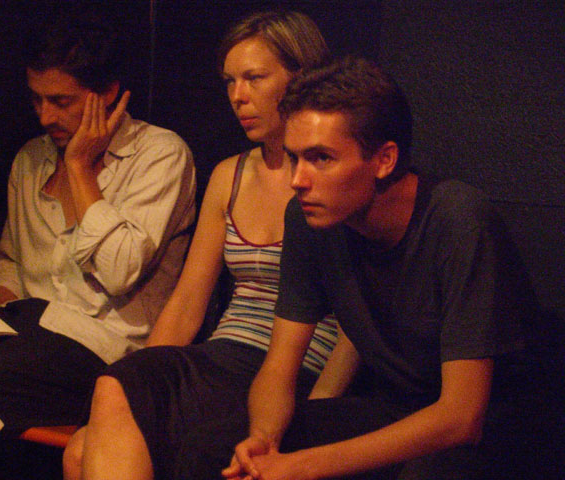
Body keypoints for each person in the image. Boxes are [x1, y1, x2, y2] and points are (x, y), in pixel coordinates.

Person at [174, 56, 561, 479]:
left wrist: (303, 466)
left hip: (501, 428)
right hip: (397, 408)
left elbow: (462, 416)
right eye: (294, 158)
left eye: (321, 158)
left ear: (384, 159)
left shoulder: (458, 219)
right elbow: (279, 368)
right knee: (210, 450)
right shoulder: (307, 219)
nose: (298, 179)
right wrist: (264, 441)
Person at [62, 11, 341, 480]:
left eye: (254, 78)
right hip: (223, 354)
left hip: (294, 369)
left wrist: (321, 410)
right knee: (87, 435)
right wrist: (142, 383)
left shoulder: (333, 175)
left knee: (178, 448)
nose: (238, 96)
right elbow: (188, 302)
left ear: (300, 78)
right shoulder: (231, 174)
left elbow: (356, 317)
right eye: (230, 81)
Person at [0, 11, 195, 445]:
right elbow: (15, 268)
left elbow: (119, 272)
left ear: (107, 92)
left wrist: (80, 168)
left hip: (107, 352)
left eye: (61, 102)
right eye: (36, 100)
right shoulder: (31, 159)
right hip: (27, 331)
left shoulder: (160, 154)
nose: (45, 116)